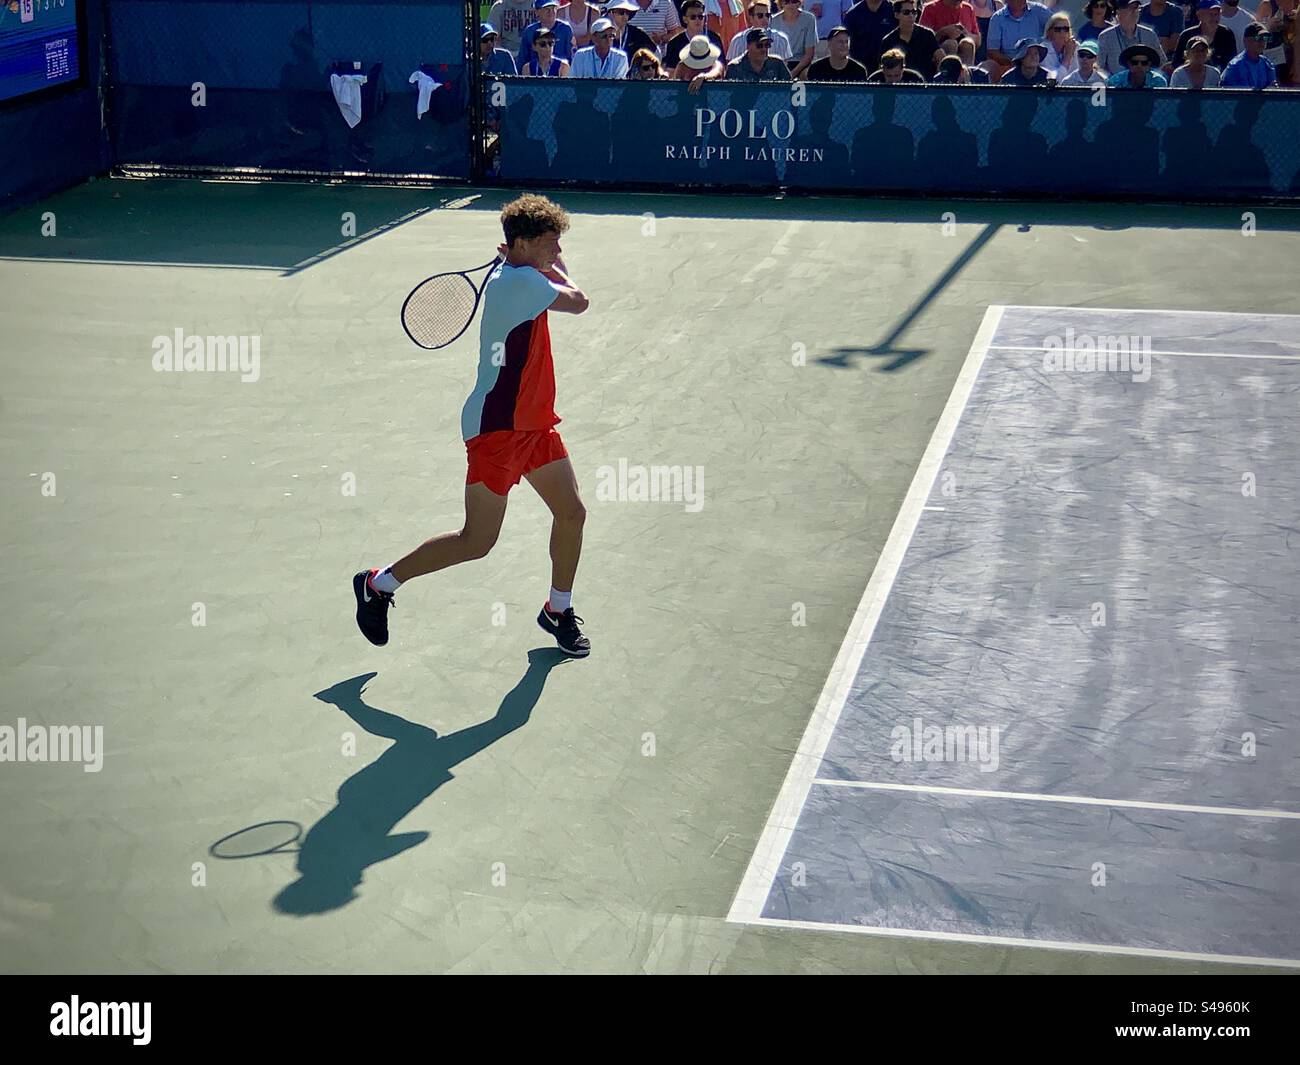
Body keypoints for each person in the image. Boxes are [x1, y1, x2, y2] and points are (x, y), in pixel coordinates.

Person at [355, 195, 592, 658]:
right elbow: (580, 302)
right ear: (521, 244)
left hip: (534, 425)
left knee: (571, 514)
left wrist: (544, 263)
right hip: (496, 429)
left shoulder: (518, 274)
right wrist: (557, 268)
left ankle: (557, 610)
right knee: (476, 541)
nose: (557, 250)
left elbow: (551, 282)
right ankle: (378, 584)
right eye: (550, 243)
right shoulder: (520, 282)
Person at [1097, 0, 1166, 73]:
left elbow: (1162, 64)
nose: (1134, 11)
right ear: (1118, 12)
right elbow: (1100, 67)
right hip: (1116, 79)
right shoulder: (1106, 36)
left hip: (1145, 79)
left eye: (1136, 8)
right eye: (1130, 8)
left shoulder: (1149, 35)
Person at [881, 0, 945, 77]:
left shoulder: (927, 35)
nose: (911, 15)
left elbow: (941, 58)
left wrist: (938, 78)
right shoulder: (889, 40)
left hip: (925, 82)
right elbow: (883, 68)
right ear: (896, 15)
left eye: (914, 12)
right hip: (900, 82)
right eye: (906, 12)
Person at [986, 0, 1052, 71]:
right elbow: (992, 51)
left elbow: (1058, 24)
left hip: (1038, 63)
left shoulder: (1039, 11)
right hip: (1010, 66)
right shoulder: (997, 19)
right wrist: (1014, 64)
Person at [1172, 1, 1238, 67]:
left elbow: (1232, 62)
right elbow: (1176, 63)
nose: (1214, 18)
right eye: (1210, 14)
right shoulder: (1187, 35)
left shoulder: (1227, 34)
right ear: (1199, 15)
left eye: (1216, 14)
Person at [665, 1, 727, 70]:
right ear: (684, 19)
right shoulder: (674, 43)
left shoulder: (714, 38)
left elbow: (722, 66)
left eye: (700, 16)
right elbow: (671, 71)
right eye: (693, 17)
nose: (697, 20)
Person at [519, 0, 576, 71]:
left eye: (553, 8)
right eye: (547, 9)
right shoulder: (530, 31)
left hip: (561, 72)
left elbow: (571, 56)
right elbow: (523, 59)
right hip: (535, 72)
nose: (551, 11)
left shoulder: (565, 29)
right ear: (537, 12)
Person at [842, 0, 899, 70]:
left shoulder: (895, 12)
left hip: (890, 68)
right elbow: (845, 44)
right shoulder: (853, 14)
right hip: (862, 69)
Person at [728, 1, 795, 58]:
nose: (765, 19)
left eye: (767, 15)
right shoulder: (738, 40)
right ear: (751, 18)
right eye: (760, 15)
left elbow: (784, 65)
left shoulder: (781, 39)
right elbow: (732, 66)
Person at [1254, 0, 1296, 85]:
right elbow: (1253, 37)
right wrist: (1268, 26)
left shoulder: (1296, 6)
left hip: (1291, 63)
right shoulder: (1267, 5)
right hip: (1271, 60)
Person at [726, 25, 798, 74]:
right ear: (748, 47)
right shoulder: (734, 67)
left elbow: (788, 88)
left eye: (767, 45)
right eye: (759, 46)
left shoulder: (777, 64)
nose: (764, 49)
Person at [774, 0, 822, 74]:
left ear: (799, 3)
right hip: (780, 64)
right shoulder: (773, 21)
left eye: (794, 1)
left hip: (801, 63)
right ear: (781, 3)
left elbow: (809, 54)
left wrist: (792, 73)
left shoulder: (809, 19)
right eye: (786, 1)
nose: (790, 4)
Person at [804, 23, 872, 73]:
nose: (844, 45)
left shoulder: (859, 70)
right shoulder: (816, 68)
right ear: (829, 44)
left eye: (846, 42)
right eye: (840, 42)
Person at [1042, 10, 1079, 77]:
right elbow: (1055, 79)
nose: (1062, 33)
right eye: (1058, 29)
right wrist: (1068, 56)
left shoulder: (1075, 46)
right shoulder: (1043, 50)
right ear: (1050, 32)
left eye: (1066, 29)